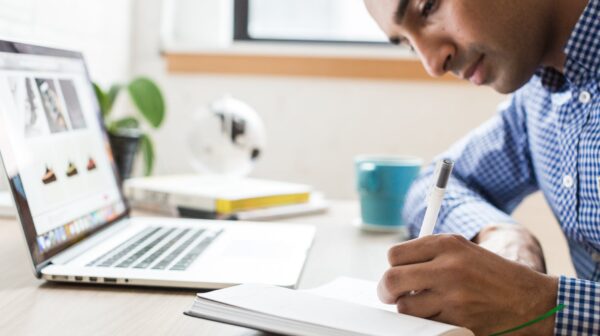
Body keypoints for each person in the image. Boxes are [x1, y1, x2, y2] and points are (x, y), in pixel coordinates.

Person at [363, 0, 599, 334]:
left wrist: (539, 303)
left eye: (428, 7)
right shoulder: (537, 99)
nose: (432, 64)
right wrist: (505, 236)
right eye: (407, 44)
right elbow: (431, 184)